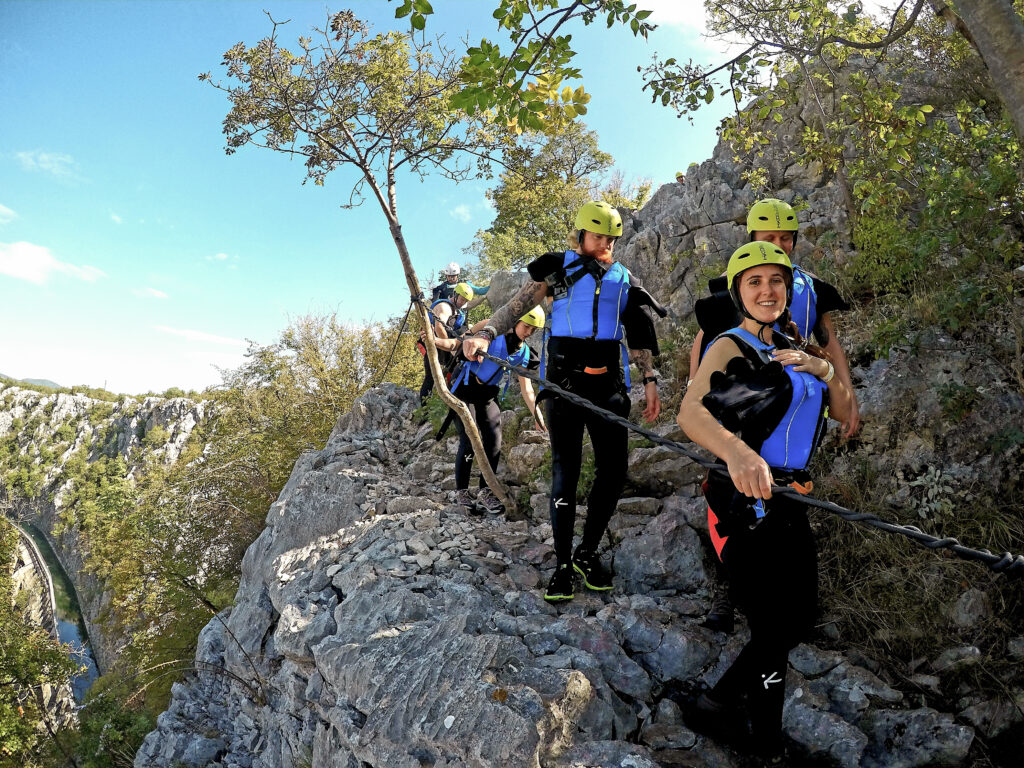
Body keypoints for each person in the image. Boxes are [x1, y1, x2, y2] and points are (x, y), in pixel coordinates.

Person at [676, 241, 853, 762]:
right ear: (739, 292)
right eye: (754, 282)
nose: (766, 290)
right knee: (773, 628)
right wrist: (736, 452)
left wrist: (821, 370)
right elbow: (691, 412)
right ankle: (766, 744)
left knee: (796, 620)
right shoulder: (728, 344)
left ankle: (717, 702)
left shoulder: (794, 343)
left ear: (788, 288)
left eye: (775, 281)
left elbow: (843, 409)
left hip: (791, 499)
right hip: (740, 502)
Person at [463, 200, 665, 602]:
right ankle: (561, 564)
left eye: (610, 238)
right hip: (563, 382)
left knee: (613, 470)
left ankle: (587, 553)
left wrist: (650, 378)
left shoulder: (623, 278)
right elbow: (514, 307)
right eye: (597, 236)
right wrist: (485, 333)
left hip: (609, 384)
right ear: (580, 234)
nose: (603, 244)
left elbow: (638, 331)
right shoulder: (558, 271)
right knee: (565, 472)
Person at [689, 197, 858, 633]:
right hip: (742, 403)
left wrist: (839, 385)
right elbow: (706, 345)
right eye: (769, 237)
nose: (778, 243)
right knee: (736, 508)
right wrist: (699, 394)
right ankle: (732, 593)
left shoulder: (808, 288)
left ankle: (783, 614)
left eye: (785, 238)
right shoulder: (736, 292)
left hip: (796, 392)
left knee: (783, 528)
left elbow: (828, 343)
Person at [435, 307, 547, 514]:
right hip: (464, 390)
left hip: (487, 395)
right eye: (526, 326)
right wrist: (433, 341)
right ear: (515, 322)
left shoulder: (522, 354)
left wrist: (538, 417)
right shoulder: (491, 330)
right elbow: (457, 343)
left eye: (534, 329)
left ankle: (485, 491)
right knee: (469, 439)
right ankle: (461, 491)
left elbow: (527, 389)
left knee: (494, 440)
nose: (529, 332)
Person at [419, 282, 473, 405]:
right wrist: (449, 348)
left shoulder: (457, 310)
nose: (462, 302)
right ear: (455, 294)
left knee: (452, 370)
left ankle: (452, 399)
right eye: (462, 299)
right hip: (435, 343)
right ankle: (424, 408)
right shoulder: (445, 307)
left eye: (465, 301)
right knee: (431, 376)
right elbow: (439, 327)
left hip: (441, 343)